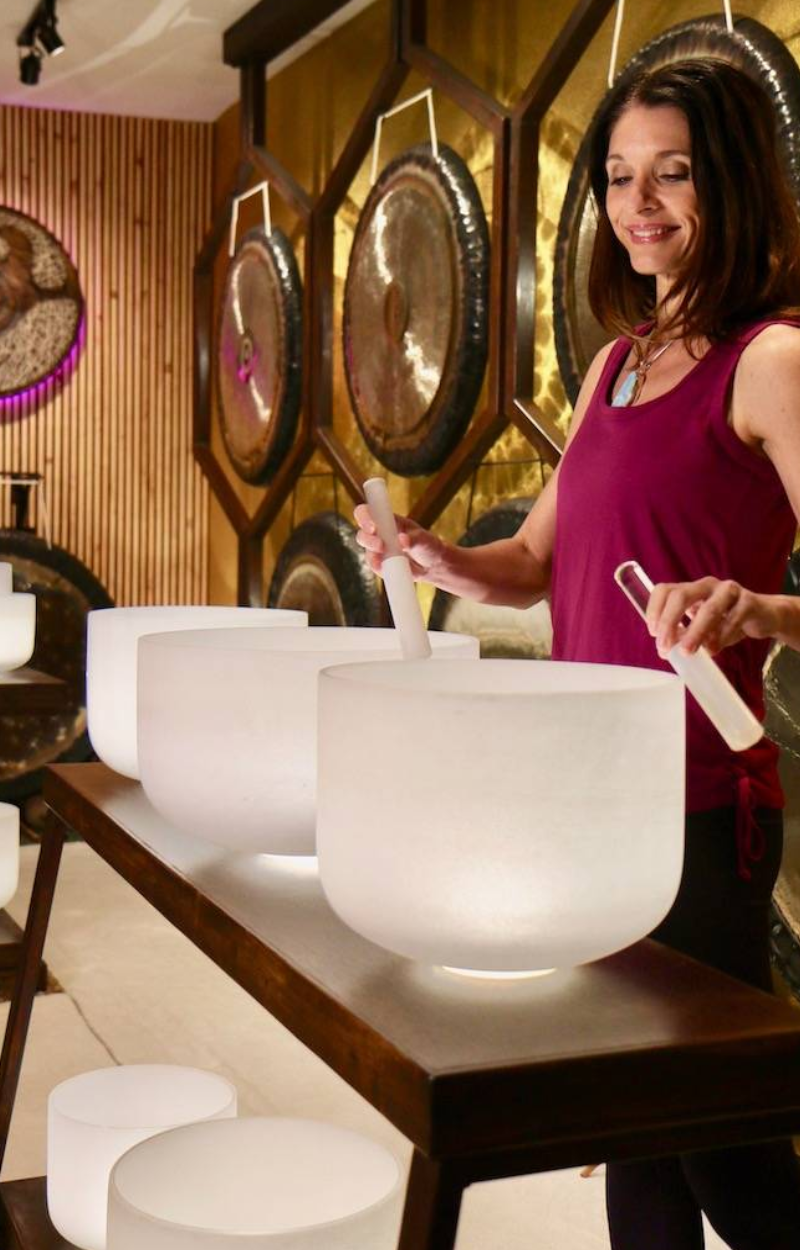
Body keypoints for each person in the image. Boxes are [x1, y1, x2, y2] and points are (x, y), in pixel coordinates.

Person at [355, 57, 800, 1250]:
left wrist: (754, 607)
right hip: (585, 796)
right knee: (623, 1113)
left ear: (738, 183)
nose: (637, 202)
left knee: (718, 1137)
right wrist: (433, 554)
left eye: (673, 174)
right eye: (616, 176)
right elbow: (535, 561)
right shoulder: (614, 361)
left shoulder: (773, 361)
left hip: (701, 801)